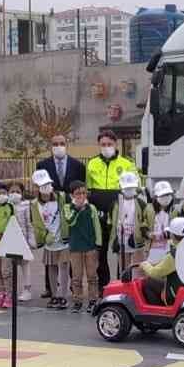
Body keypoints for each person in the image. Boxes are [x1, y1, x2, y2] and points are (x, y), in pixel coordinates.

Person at [86, 131, 137, 290]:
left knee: (121, 249)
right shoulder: (92, 163)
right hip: (99, 213)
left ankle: (122, 285)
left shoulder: (127, 163)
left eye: (109, 144)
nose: (106, 147)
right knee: (101, 251)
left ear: (115, 144)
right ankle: (104, 286)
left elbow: (134, 187)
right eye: (103, 144)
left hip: (119, 211)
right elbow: (88, 189)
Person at [62, 180, 102, 313]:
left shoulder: (91, 208)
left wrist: (98, 243)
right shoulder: (68, 207)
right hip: (75, 247)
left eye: (84, 193)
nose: (81, 196)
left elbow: (96, 225)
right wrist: (77, 208)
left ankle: (93, 300)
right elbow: (70, 221)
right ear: (72, 195)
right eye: (78, 194)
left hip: (90, 246)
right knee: (76, 277)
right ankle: (77, 300)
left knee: (92, 276)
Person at [32, 170, 68, 309]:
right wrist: (43, 237)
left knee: (64, 267)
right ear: (36, 187)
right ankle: (54, 295)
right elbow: (37, 224)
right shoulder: (35, 204)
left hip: (63, 240)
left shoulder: (61, 197)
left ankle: (63, 296)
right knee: (51, 268)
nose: (46, 187)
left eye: (48, 184)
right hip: (49, 242)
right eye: (42, 185)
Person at [133, 214, 184, 304]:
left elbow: (155, 273)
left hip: (175, 293)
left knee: (148, 282)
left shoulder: (174, 255)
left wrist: (145, 265)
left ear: (172, 235)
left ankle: (156, 309)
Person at [110, 171, 152, 279]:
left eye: (131, 188)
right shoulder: (116, 203)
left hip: (137, 243)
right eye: (126, 188)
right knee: (124, 272)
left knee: (139, 271)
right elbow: (112, 221)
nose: (129, 190)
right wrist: (114, 240)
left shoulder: (141, 203)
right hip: (121, 242)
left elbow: (145, 221)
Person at [0, 181, 18, 310]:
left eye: (3, 193)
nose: (1, 195)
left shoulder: (10, 207)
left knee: (6, 271)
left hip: (7, 243)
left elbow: (14, 224)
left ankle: (9, 295)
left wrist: (4, 234)